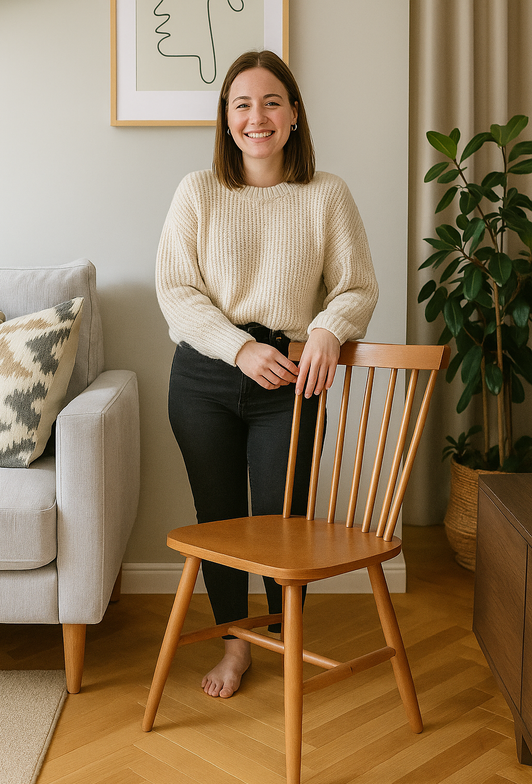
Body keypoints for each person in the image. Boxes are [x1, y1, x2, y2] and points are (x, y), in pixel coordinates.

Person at [156, 50, 378, 699]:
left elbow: (356, 287)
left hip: (289, 383)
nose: (258, 117)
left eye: (271, 102)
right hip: (202, 377)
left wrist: (327, 330)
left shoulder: (326, 193)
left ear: (294, 115)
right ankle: (236, 645)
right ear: (226, 121)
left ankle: (278, 633)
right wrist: (236, 348)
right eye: (242, 104)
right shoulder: (197, 191)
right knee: (219, 521)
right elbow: (175, 291)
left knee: (284, 525)